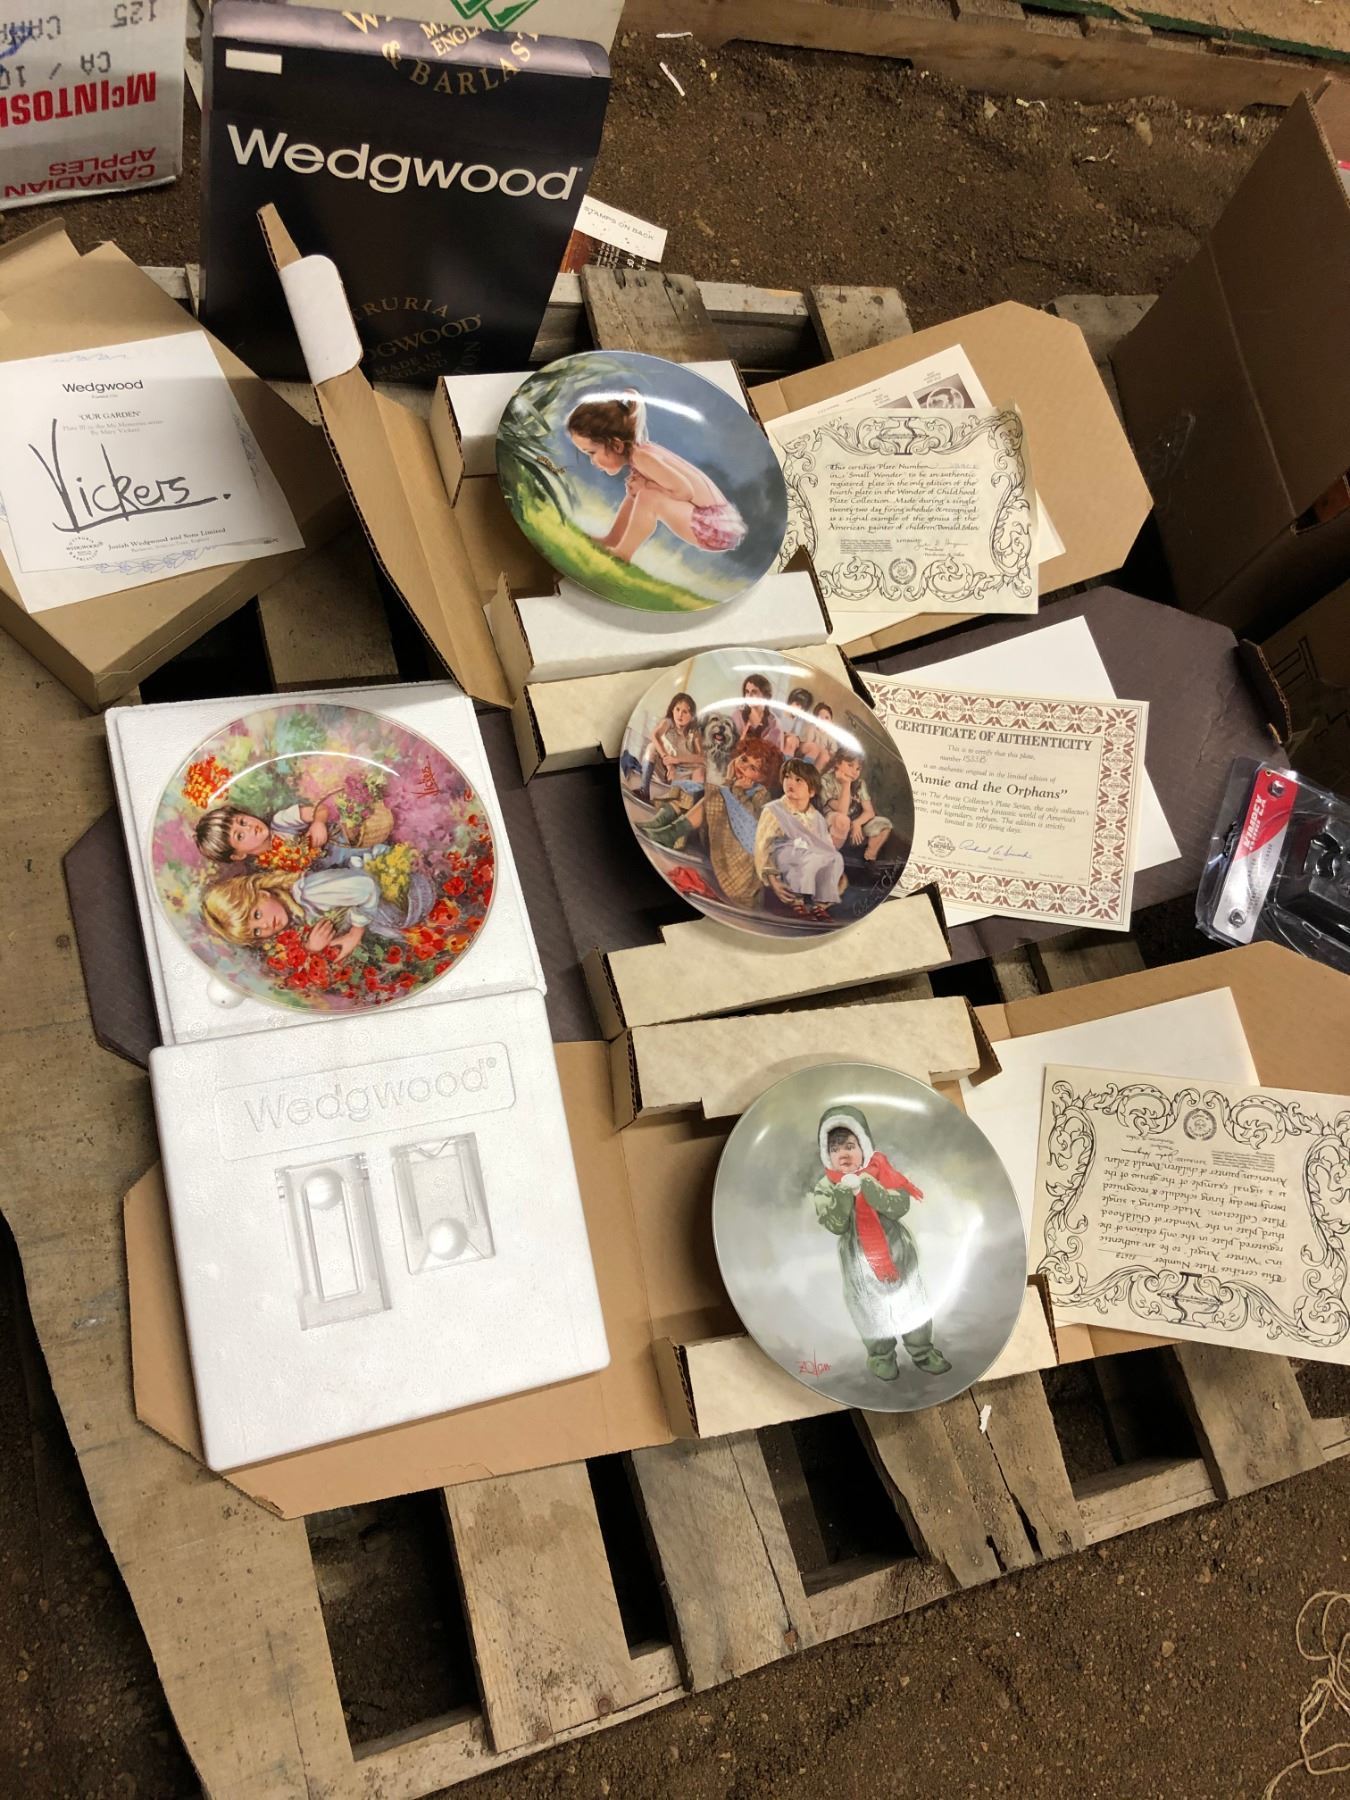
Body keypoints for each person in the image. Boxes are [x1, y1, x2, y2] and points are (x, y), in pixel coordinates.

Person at [809, 1104, 951, 1380]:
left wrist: (870, 1187)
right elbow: (835, 1225)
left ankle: (922, 1351)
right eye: (835, 1149)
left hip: (896, 1250)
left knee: (911, 1298)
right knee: (866, 1307)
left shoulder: (881, 1172)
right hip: (857, 1258)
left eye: (850, 1146)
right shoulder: (826, 1187)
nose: (843, 1154)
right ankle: (881, 1356)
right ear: (827, 1154)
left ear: (864, 1146)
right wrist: (843, 1195)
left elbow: (900, 1206)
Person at [567, 393, 746, 564]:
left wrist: (646, 485)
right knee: (637, 494)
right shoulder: (640, 453)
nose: (592, 461)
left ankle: (623, 554)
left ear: (617, 445)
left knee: (647, 496)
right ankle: (612, 540)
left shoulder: (642, 457)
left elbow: (684, 491)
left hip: (715, 527)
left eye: (591, 453)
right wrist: (643, 487)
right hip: (719, 523)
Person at [201, 863, 435, 965]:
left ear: (262, 894)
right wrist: (312, 948)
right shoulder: (295, 915)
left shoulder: (309, 893)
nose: (265, 926)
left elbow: (366, 886)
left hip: (406, 900)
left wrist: (354, 934)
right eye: (256, 932)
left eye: (256, 915)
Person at [195, 795, 393, 870]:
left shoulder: (281, 822)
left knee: (382, 852)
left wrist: (318, 823)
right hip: (343, 869)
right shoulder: (270, 869)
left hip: (346, 841)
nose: (249, 827)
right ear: (238, 855)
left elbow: (321, 810)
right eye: (240, 835)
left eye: (242, 821)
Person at [753, 758, 845, 909]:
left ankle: (820, 904)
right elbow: (762, 846)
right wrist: (772, 880)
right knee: (807, 858)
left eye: (798, 780)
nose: (790, 783)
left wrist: (835, 865)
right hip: (784, 857)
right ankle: (797, 901)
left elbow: (826, 845)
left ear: (811, 791)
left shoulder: (816, 817)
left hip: (809, 856)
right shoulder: (774, 810)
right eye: (787, 777)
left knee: (834, 858)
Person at [819, 748, 893, 862]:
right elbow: (842, 812)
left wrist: (857, 823)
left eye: (858, 769)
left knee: (884, 824)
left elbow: (869, 811)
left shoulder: (859, 784)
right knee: (842, 820)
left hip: (853, 825)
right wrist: (846, 784)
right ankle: (829, 856)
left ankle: (869, 858)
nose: (854, 772)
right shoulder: (826, 780)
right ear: (837, 763)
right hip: (832, 825)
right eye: (850, 765)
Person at [633, 691, 704, 807]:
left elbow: (701, 758)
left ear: (691, 716)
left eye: (685, 712)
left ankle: (684, 803)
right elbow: (654, 735)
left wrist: (676, 760)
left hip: (682, 771)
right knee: (651, 747)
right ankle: (644, 790)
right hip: (664, 767)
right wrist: (667, 760)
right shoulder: (668, 723)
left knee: (699, 771)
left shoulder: (694, 733)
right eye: (677, 709)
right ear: (672, 709)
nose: (680, 715)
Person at [734, 673, 784, 748]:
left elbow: (776, 752)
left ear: (765, 695)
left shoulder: (774, 724)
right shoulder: (737, 716)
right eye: (747, 692)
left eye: (754, 692)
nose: (749, 696)